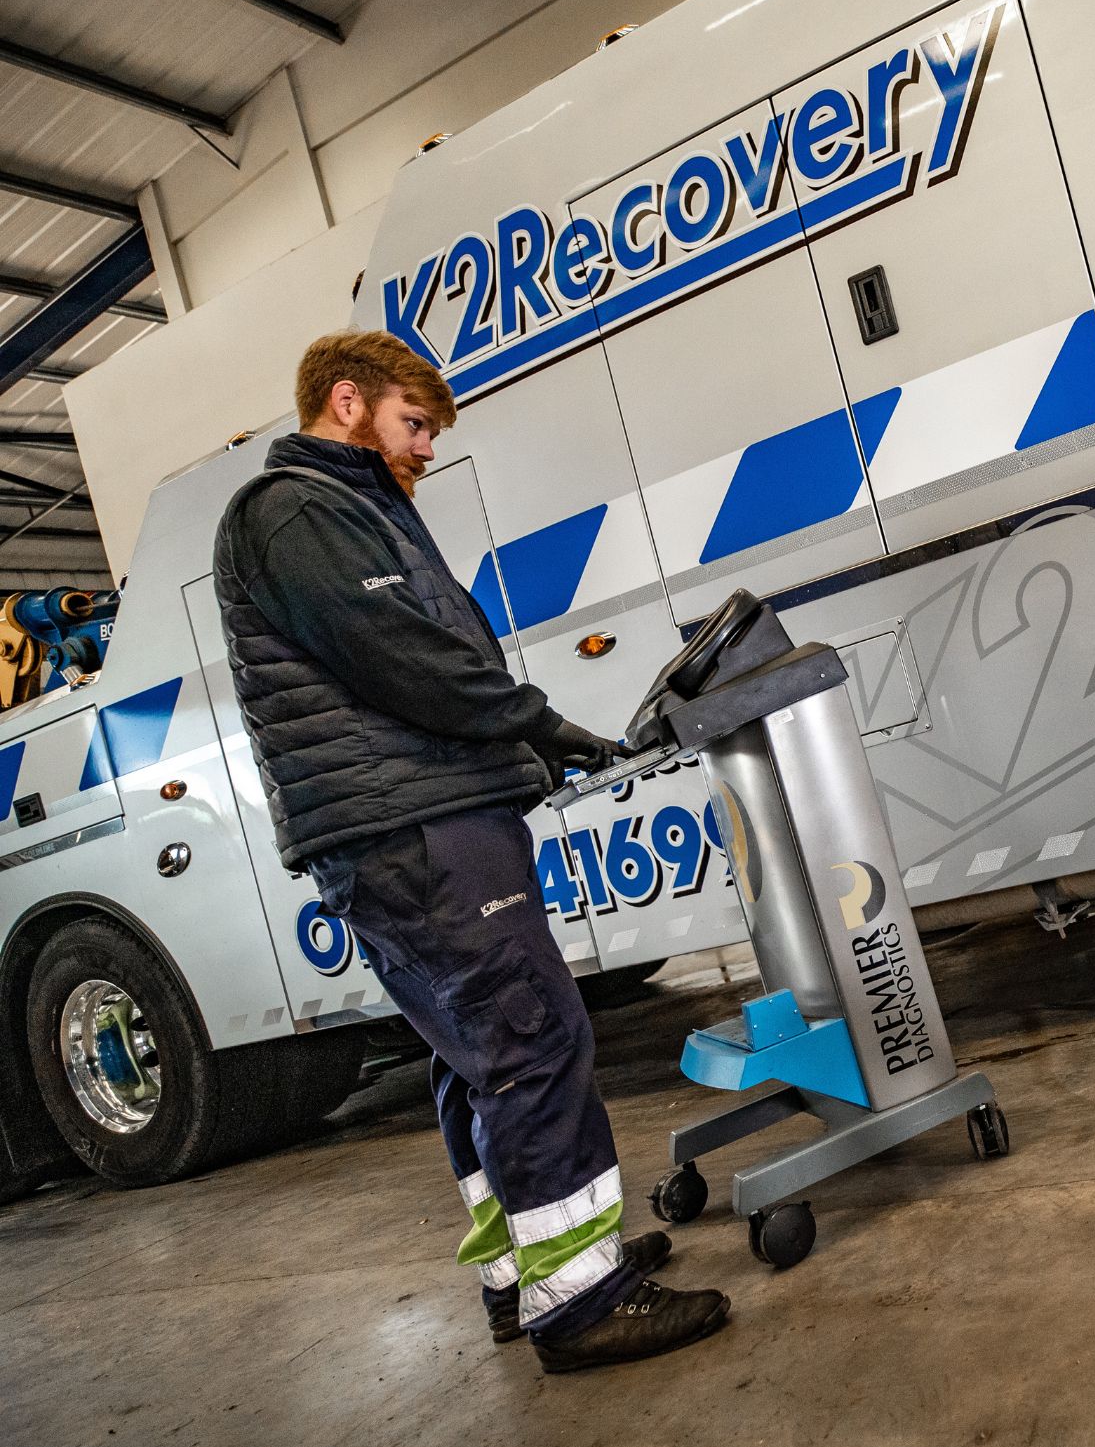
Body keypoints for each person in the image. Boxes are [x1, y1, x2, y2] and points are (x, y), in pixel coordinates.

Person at [213, 329, 729, 1373]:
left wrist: (528, 750)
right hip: (413, 830)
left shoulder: (353, 510)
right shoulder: (297, 510)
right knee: (532, 1041)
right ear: (346, 402)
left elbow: (416, 666)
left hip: (407, 822)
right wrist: (538, 724)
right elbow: (409, 660)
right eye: (415, 425)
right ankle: (581, 1303)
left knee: (476, 1056)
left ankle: (529, 1271)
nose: (427, 449)